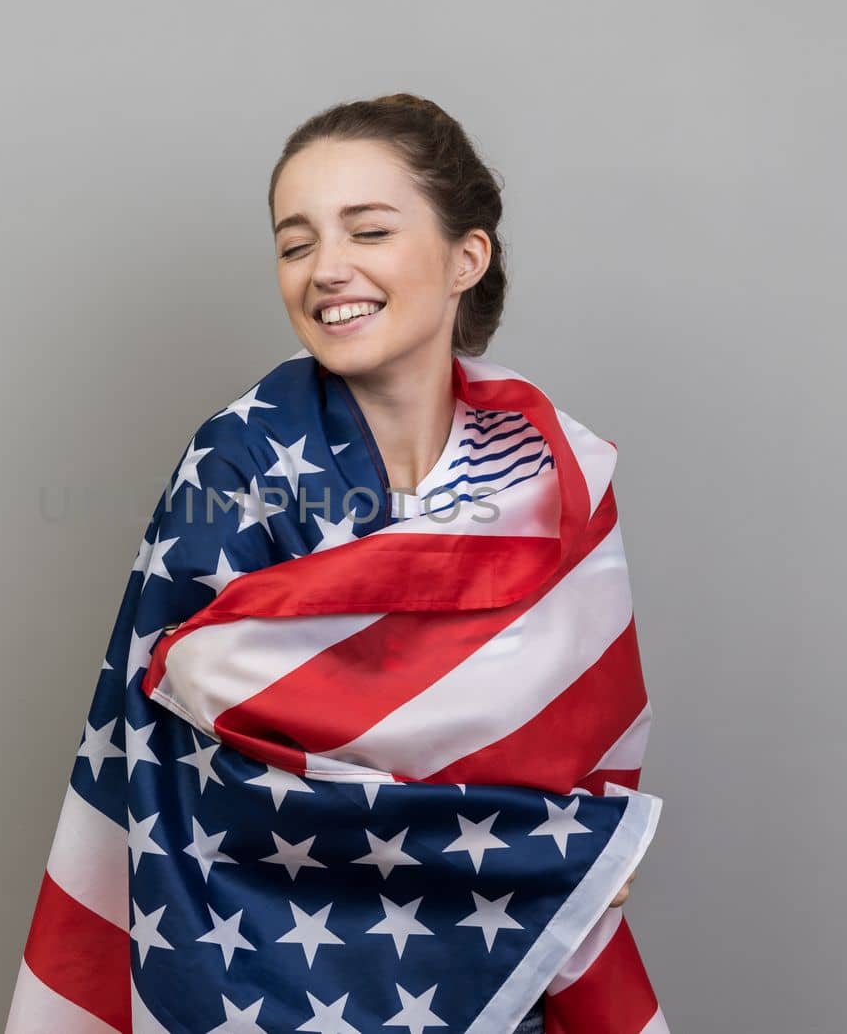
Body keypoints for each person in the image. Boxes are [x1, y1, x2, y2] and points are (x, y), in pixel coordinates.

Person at [270, 93, 638, 1032]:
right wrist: (558, 851)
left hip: (500, 973)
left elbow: (581, 739)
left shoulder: (549, 475)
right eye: (295, 242)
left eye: (370, 230)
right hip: (288, 973)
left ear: (464, 258)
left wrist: (564, 849)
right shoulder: (237, 471)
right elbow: (199, 754)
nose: (328, 269)